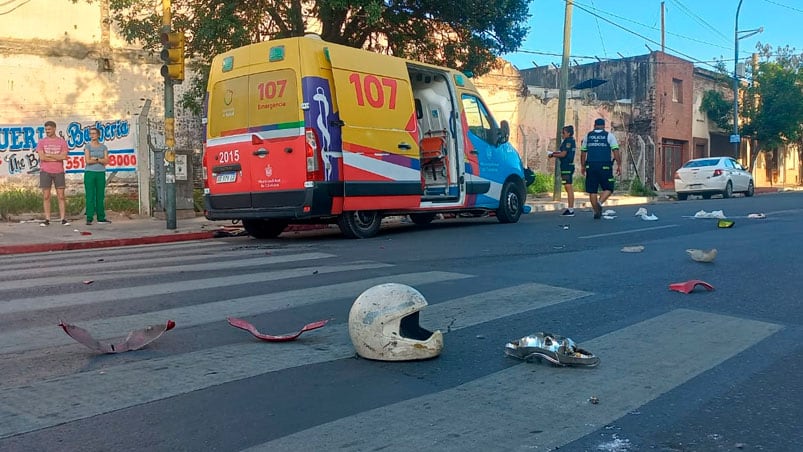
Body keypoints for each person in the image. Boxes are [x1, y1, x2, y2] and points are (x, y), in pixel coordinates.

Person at [580, 118, 622, 219]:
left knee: (592, 190)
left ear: (594, 125)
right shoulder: (609, 136)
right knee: (609, 187)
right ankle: (599, 203)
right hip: (605, 166)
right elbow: (615, 151)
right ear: (604, 126)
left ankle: (596, 211)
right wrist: (619, 165)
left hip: (591, 165)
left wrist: (583, 165)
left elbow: (583, 152)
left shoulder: (588, 136)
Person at [35, 120, 70, 226]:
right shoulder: (41, 142)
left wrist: (49, 156)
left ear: (54, 128)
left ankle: (63, 218)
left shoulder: (61, 142)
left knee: (61, 196)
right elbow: (42, 157)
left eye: (49, 129)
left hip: (59, 171)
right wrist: (56, 157)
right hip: (45, 171)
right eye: (46, 129)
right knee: (46, 196)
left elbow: (64, 157)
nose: (47, 131)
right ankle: (47, 219)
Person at [83, 127, 111, 225]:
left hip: (100, 172)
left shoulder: (103, 147)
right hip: (90, 172)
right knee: (90, 195)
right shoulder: (88, 146)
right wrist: (100, 160)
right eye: (91, 134)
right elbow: (88, 161)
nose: (92, 135)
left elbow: (106, 161)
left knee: (100, 195)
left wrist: (96, 159)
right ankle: (89, 217)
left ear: (98, 135)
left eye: (94, 133)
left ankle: (101, 217)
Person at [549, 125, 576, 216]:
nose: (562, 135)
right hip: (567, 166)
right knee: (567, 187)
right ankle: (570, 208)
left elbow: (563, 154)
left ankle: (571, 209)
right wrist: (553, 153)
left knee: (568, 187)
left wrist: (553, 155)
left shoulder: (568, 142)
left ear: (568, 133)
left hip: (566, 166)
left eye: (563, 133)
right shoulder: (570, 141)